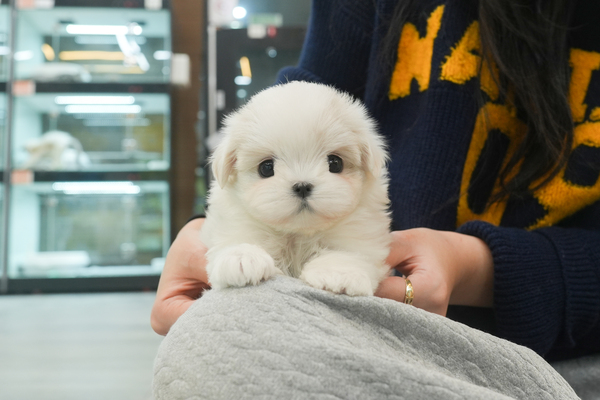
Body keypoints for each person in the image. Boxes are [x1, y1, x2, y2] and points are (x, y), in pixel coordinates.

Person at [152, 0, 600, 361]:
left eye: (334, 163)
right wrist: (212, 244)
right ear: (229, 168)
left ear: (369, 163)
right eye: (268, 168)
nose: (303, 182)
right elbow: (309, 93)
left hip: (560, 354)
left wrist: (473, 266)